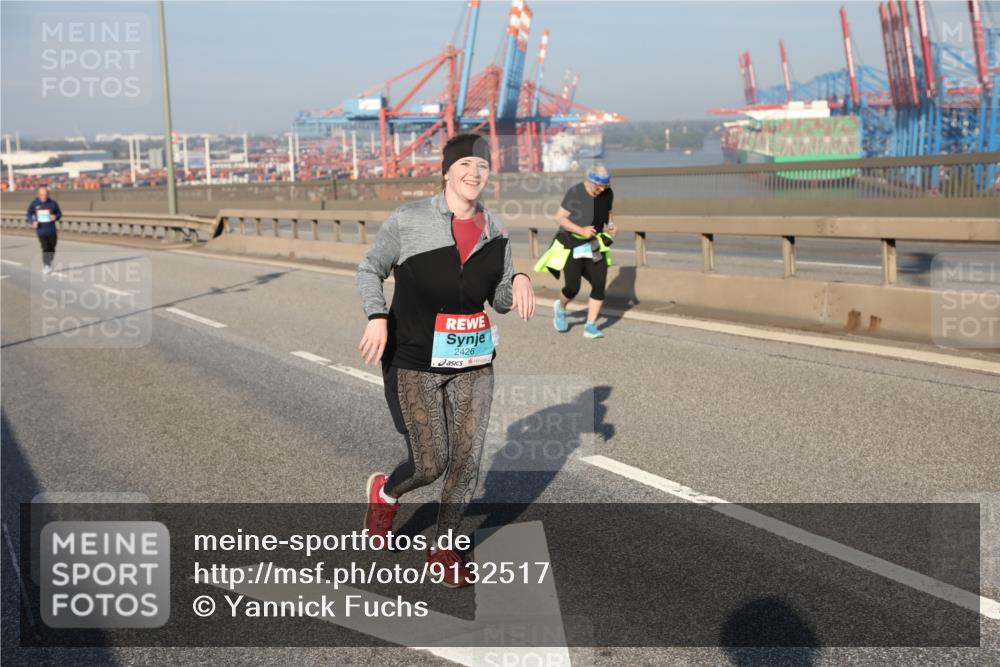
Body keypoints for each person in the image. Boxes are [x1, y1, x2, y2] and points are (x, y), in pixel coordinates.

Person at [356, 133, 535, 588]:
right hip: (414, 357)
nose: (474, 173)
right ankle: (386, 493)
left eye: (482, 166)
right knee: (429, 462)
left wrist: (519, 280)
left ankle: (445, 547)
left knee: (467, 459)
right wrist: (377, 316)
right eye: (466, 165)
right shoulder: (409, 220)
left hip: (473, 360)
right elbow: (370, 268)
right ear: (447, 171)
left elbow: (497, 299)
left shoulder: (496, 230)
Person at [533, 164, 615, 338]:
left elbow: (608, 211)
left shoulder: (607, 193)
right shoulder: (576, 192)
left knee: (599, 285)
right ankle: (561, 308)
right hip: (572, 244)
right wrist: (581, 230)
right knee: (572, 287)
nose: (601, 190)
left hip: (594, 245)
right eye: (598, 186)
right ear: (589, 180)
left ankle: (590, 326)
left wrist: (612, 225)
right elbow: (559, 217)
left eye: (604, 186)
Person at [25, 186, 62, 274]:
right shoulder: (34, 203)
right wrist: (32, 221)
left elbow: (59, 213)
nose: (43, 197)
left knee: (52, 248)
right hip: (41, 230)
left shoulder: (53, 203)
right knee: (45, 247)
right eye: (42, 195)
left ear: (48, 194)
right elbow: (29, 214)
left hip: (52, 230)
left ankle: (49, 261)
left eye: (45, 195)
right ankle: (46, 265)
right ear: (38, 195)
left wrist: (55, 217)